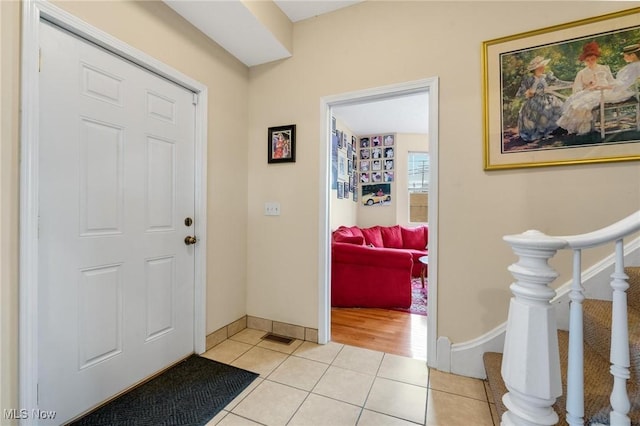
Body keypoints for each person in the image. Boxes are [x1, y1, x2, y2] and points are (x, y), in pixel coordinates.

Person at [556, 41, 620, 135]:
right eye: (588, 60)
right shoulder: (582, 73)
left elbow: (611, 82)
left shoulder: (604, 68)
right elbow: (577, 88)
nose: (590, 62)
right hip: (589, 91)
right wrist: (588, 87)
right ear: (585, 61)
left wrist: (603, 86)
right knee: (575, 101)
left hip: (604, 92)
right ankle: (569, 127)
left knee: (584, 103)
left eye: (592, 59)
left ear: (596, 58)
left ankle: (583, 128)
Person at [515, 55, 569, 141]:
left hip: (547, 98)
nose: (543, 68)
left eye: (543, 66)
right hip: (534, 100)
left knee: (558, 106)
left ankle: (557, 128)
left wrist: (573, 83)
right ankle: (541, 130)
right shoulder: (529, 79)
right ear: (535, 69)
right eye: (540, 67)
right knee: (539, 110)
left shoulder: (547, 77)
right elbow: (519, 94)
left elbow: (559, 83)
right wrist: (528, 93)